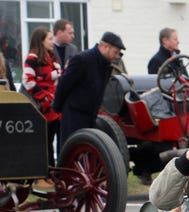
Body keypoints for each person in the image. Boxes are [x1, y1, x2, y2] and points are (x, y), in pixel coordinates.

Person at [53, 31, 125, 148]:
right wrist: (57, 107)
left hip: (91, 116)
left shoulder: (106, 65)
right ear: (105, 47)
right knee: (71, 149)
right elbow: (64, 84)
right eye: (115, 52)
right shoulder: (82, 59)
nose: (117, 56)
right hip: (74, 115)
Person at [23, 26, 62, 166]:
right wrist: (45, 98)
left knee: (58, 139)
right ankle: (46, 171)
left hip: (55, 106)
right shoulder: (32, 58)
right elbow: (27, 81)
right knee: (46, 141)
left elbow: (57, 79)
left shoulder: (52, 58)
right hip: (44, 107)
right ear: (41, 41)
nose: (53, 41)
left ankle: (56, 170)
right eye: (50, 39)